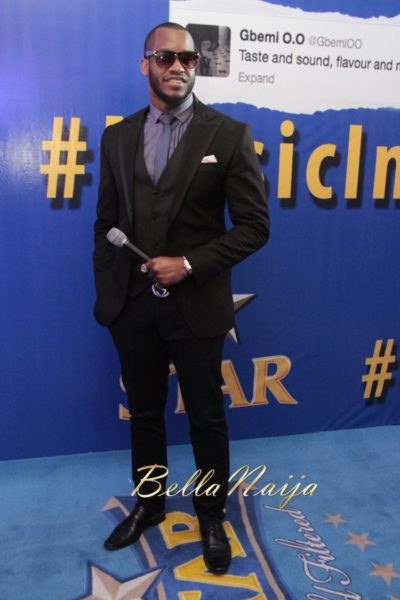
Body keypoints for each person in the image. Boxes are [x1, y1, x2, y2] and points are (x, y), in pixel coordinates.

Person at [93, 21, 269, 575]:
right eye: (165, 57)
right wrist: (109, 296)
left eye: (188, 59)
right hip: (133, 307)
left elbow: (255, 227)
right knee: (145, 413)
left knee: (207, 417)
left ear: (197, 66)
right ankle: (149, 505)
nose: (178, 67)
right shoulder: (117, 138)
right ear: (145, 64)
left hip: (196, 306)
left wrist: (190, 264)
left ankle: (211, 515)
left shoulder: (229, 135)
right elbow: (104, 224)